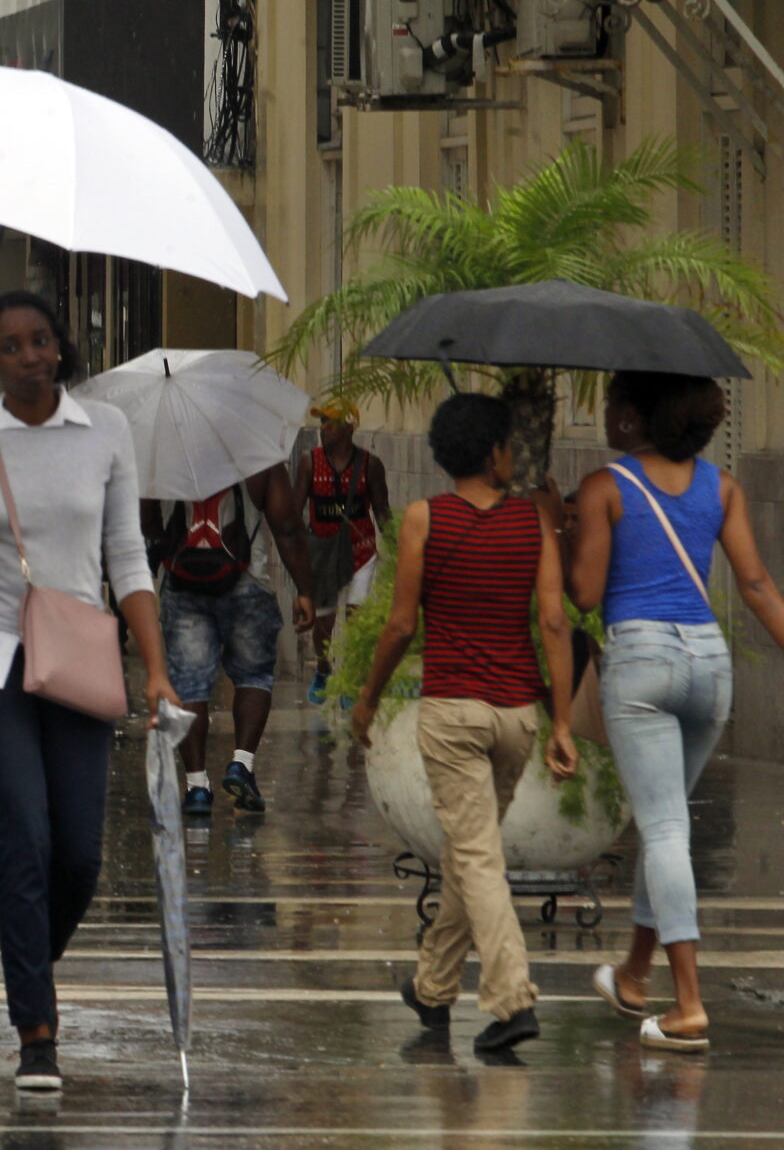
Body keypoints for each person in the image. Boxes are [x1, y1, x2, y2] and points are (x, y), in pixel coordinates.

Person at [0, 291, 182, 1092]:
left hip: (76, 654)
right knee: (24, 835)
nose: (31, 355)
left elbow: (128, 556)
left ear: (59, 346)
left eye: (41, 340)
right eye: (11, 346)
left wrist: (156, 667)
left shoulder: (104, 429)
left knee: (79, 852)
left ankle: (27, 960)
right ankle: (35, 1029)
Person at [353, 393, 575, 1054]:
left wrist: (368, 700)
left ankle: (511, 1001)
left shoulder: (425, 519)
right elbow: (555, 623)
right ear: (494, 453)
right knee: (468, 851)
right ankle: (432, 987)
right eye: (508, 441)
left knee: (475, 853)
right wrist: (562, 722)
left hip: (451, 714)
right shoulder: (534, 523)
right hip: (516, 717)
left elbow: (399, 626)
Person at [569, 373, 784, 1053]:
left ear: (634, 418)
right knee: (666, 822)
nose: (605, 415)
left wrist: (558, 524)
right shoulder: (720, 489)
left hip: (640, 661)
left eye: (612, 405)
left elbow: (584, 594)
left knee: (662, 829)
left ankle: (688, 1004)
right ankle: (634, 975)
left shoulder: (607, 487)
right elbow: (755, 584)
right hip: (708, 664)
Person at [143, 459, 315, 817]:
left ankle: (197, 788)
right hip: (247, 582)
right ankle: (242, 763)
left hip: (183, 584)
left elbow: (147, 523)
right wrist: (306, 590)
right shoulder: (258, 457)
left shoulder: (167, 456)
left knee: (189, 686)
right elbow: (286, 526)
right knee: (253, 676)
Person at [300, 398, 389, 704]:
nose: (324, 428)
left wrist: (400, 554)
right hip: (323, 553)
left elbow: (383, 513)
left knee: (356, 617)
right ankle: (324, 669)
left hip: (361, 552)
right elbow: (295, 510)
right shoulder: (309, 462)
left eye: (331, 422)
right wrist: (301, 555)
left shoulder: (370, 465)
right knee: (324, 622)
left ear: (350, 427)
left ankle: (351, 678)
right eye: (322, 421)